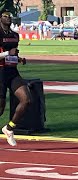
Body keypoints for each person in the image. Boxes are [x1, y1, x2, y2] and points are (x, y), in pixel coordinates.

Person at [0, 9, 31, 146]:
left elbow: (12, 54)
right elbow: (7, 53)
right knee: (0, 108)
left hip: (12, 71)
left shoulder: (14, 35)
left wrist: (18, 59)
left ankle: (9, 128)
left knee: (26, 99)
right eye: (6, 16)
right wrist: (8, 53)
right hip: (0, 72)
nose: (9, 18)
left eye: (10, 16)